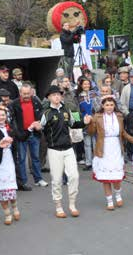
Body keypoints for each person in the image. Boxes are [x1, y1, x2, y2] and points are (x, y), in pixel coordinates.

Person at [31, 85, 84, 218]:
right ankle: (58, 206)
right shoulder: (46, 112)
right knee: (56, 179)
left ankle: (72, 205)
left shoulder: (66, 109)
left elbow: (74, 123)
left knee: (74, 176)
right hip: (54, 150)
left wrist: (85, 122)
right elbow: (40, 125)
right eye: (53, 95)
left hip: (68, 148)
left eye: (58, 94)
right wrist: (37, 127)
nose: (56, 97)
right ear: (49, 97)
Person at [83, 95, 127, 209]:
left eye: (111, 105)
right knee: (106, 177)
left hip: (116, 146)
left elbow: (123, 133)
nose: (109, 107)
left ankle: (118, 195)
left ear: (114, 105)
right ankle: (109, 201)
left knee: (116, 176)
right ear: (102, 105)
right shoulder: (97, 117)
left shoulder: (119, 116)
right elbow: (91, 132)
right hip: (103, 147)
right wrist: (89, 123)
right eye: (107, 105)